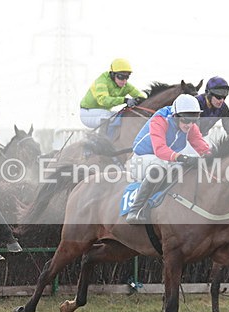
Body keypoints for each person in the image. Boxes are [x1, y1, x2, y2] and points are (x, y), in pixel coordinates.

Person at [126, 94, 213, 223]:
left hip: (165, 160)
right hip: (140, 160)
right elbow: (160, 150)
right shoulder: (160, 120)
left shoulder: (190, 126)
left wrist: (214, 158)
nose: (189, 124)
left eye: (193, 120)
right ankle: (135, 210)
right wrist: (183, 158)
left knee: (184, 170)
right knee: (159, 166)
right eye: (186, 120)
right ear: (175, 116)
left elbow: (201, 146)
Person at [79, 58, 146, 129]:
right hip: (87, 113)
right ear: (113, 74)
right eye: (121, 77)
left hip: (102, 113)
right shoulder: (102, 81)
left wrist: (139, 100)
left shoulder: (126, 85)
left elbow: (141, 97)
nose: (124, 81)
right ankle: (99, 139)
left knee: (123, 116)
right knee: (106, 115)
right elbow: (103, 100)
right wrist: (125, 100)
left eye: (127, 77)